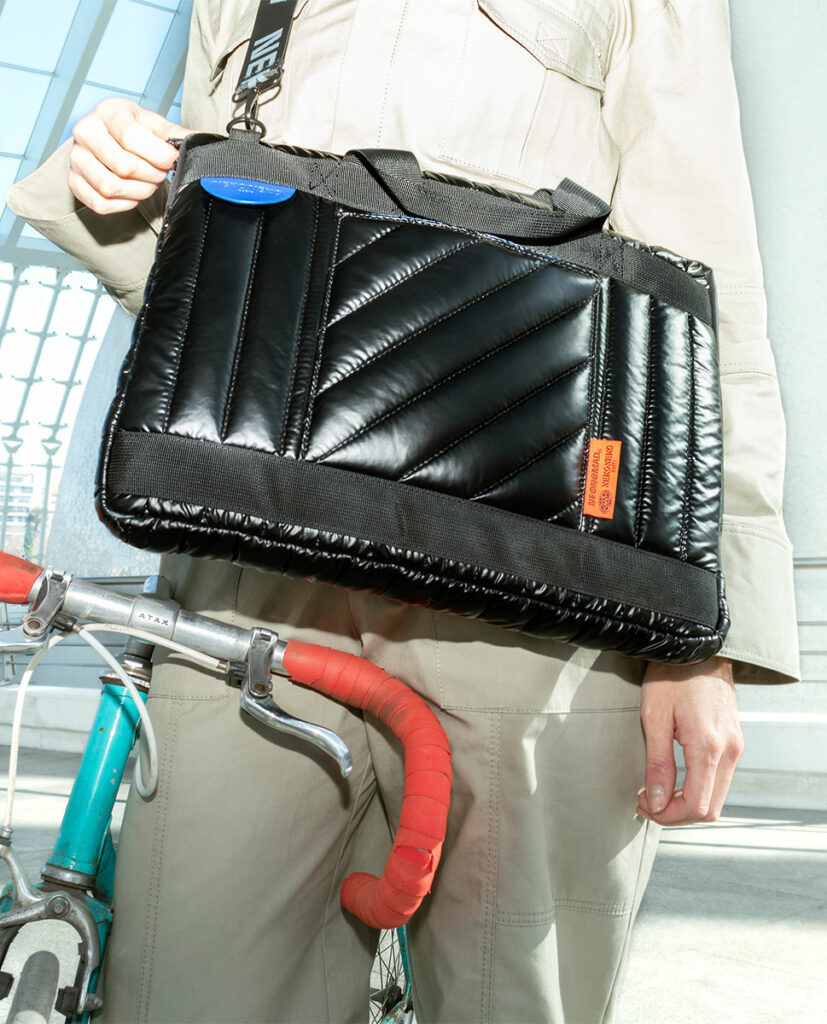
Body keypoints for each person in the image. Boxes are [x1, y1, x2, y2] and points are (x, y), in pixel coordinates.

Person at [6, 1, 799, 1021]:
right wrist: (127, 181)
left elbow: (701, 292)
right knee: (193, 989)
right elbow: (217, 291)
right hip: (250, 583)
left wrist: (700, 638)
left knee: (511, 998)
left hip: (531, 594)